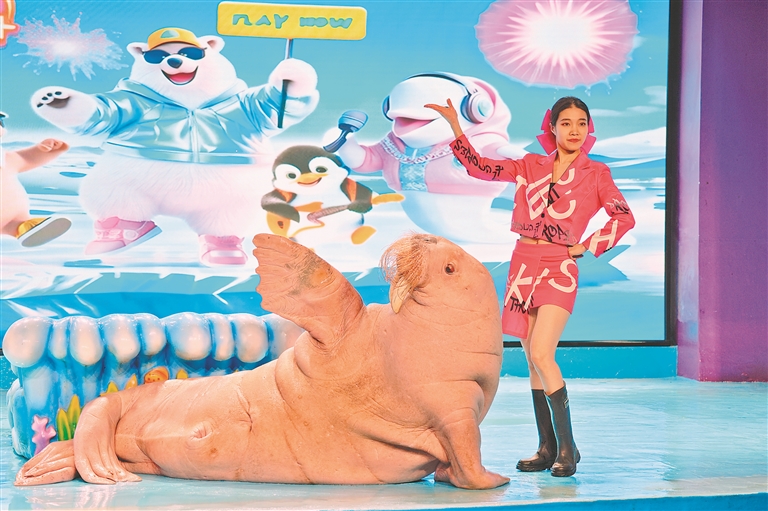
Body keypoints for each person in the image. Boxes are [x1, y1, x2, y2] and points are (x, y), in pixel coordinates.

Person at [426, 96, 635, 477]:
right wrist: (456, 126)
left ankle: (569, 448)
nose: (575, 130)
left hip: (559, 267)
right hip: (523, 264)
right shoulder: (529, 165)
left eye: (582, 123)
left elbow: (624, 217)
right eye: (566, 123)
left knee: (542, 352)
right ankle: (547, 447)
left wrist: (586, 245)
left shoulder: (596, 172)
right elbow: (480, 168)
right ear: (552, 128)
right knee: (532, 361)